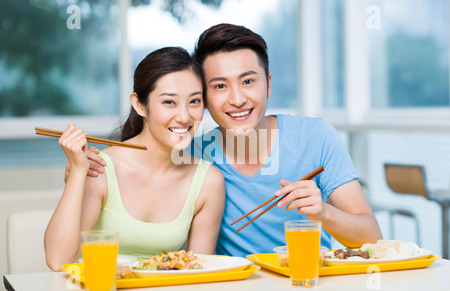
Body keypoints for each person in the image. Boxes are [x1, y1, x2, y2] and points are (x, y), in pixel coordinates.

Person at [68, 24, 382, 258]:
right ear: (202, 99)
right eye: (219, 86)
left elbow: (372, 237)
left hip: (307, 284)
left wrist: (324, 213)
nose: (237, 99)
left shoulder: (315, 136)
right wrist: (80, 173)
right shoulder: (189, 154)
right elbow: (137, 170)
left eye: (248, 81)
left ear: (268, 84)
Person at [44, 47, 225, 271]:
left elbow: (199, 271)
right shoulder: (100, 168)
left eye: (195, 101)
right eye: (169, 102)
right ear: (139, 105)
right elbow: (57, 260)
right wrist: (78, 173)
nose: (185, 116)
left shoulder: (207, 180)